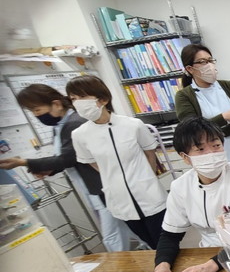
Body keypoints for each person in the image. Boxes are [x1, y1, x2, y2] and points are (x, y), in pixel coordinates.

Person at [0, 84, 132, 252]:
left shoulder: (74, 123)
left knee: (113, 236)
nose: (36, 115)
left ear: (56, 104)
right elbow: (72, 157)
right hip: (94, 186)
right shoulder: (61, 126)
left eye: (37, 110)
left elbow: (67, 158)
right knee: (124, 229)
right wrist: (51, 169)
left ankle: (130, 262)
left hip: (103, 185)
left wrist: (23, 162)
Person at [147, 117, 230, 272]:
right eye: (200, 149)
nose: (211, 153)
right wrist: (161, 265)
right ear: (185, 157)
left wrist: (212, 265)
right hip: (206, 255)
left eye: (216, 145)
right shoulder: (180, 187)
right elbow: (170, 235)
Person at [68, 75, 167, 249]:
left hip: (149, 193)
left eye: (82, 97)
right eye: (73, 99)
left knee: (166, 242)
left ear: (103, 99)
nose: (77, 103)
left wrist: (146, 177)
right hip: (119, 199)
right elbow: (93, 163)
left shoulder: (133, 125)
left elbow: (150, 154)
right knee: (151, 244)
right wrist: (113, 177)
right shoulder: (79, 135)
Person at [174, 44, 230, 173]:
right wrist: (224, 117)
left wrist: (212, 133)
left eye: (210, 60)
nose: (209, 65)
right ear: (190, 69)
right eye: (202, 62)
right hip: (215, 163)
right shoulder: (184, 96)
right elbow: (193, 130)